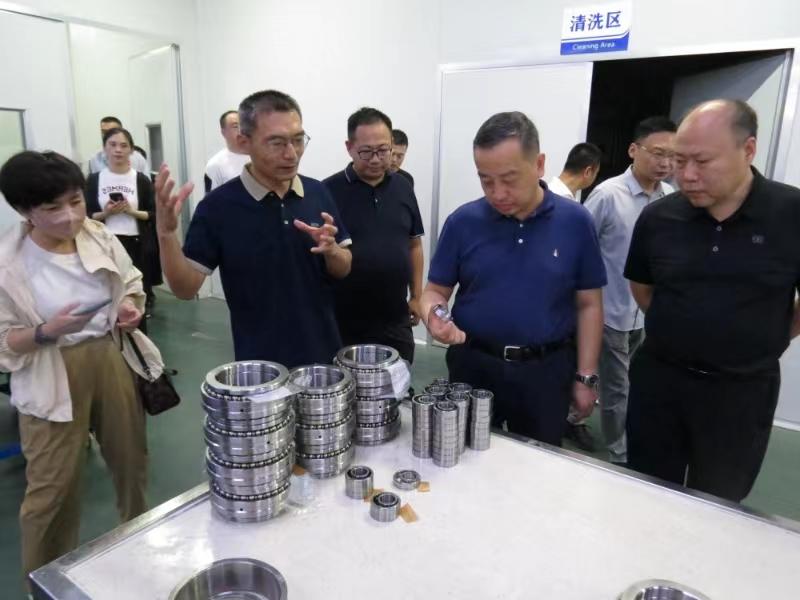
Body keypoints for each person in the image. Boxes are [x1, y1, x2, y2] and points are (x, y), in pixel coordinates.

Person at [624, 99, 800, 502]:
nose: (687, 175)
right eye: (679, 160)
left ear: (748, 150)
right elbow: (643, 289)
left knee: (720, 502)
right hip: (661, 383)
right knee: (646, 494)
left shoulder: (791, 214)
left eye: (702, 161)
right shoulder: (659, 218)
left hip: (741, 391)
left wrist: (766, 336)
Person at [0, 150, 163, 585]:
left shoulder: (98, 234)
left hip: (108, 355)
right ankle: (44, 580)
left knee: (131, 460)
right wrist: (45, 332)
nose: (70, 216)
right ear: (24, 211)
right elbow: (3, 340)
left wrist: (129, 306)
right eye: (52, 208)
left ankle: (139, 542)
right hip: (48, 368)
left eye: (75, 201)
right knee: (52, 487)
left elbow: (130, 280)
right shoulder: (8, 262)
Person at [421, 111, 606, 445]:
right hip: (474, 366)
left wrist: (586, 376)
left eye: (509, 179)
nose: (498, 193)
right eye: (486, 180)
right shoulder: (463, 222)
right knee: (465, 456)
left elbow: (589, 304)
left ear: (539, 164)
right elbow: (434, 292)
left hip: (545, 370)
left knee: (538, 463)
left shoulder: (576, 222)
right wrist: (435, 315)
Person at [154, 89, 352, 368]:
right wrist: (166, 235)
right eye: (276, 143)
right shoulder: (218, 207)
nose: (291, 153)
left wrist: (332, 252)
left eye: (298, 140)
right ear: (244, 142)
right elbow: (185, 289)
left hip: (324, 361)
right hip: (259, 369)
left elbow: (344, 268)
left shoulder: (317, 193)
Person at [583, 117, 676, 464]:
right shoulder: (608, 195)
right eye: (658, 153)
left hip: (647, 312)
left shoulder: (671, 198)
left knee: (633, 382)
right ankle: (621, 457)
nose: (666, 163)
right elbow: (581, 247)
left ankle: (575, 417)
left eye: (673, 155)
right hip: (610, 309)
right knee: (617, 388)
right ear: (634, 150)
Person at [323, 108, 424, 363]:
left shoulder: (403, 186)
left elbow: (414, 244)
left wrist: (417, 296)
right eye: (366, 152)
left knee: (398, 381)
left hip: (395, 318)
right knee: (345, 383)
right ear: (349, 147)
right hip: (343, 320)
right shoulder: (327, 191)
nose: (376, 159)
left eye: (383, 150)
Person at [85, 127, 155, 330]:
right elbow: (86, 216)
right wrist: (107, 213)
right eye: (113, 145)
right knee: (107, 295)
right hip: (103, 244)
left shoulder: (140, 179)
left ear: (131, 150)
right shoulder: (94, 180)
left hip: (135, 244)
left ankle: (138, 336)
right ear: (104, 149)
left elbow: (152, 214)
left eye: (124, 146)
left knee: (134, 295)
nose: (118, 150)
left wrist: (131, 211)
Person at [204, 110, 251, 193]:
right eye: (235, 126)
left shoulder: (258, 157)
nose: (241, 130)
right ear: (223, 132)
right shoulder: (215, 165)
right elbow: (211, 199)